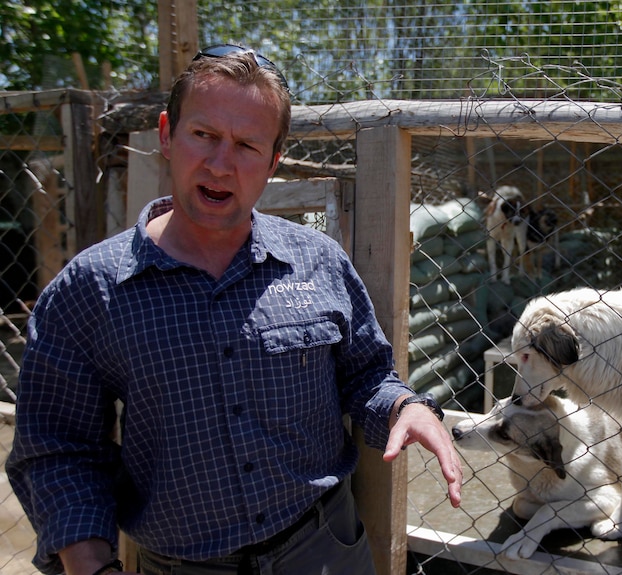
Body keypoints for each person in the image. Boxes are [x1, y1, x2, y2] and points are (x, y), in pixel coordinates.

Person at [7, 44, 462, 575]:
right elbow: (58, 448)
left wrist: (403, 407)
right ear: (166, 135)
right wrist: (90, 564)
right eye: (204, 135)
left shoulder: (317, 261)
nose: (221, 164)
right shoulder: (92, 288)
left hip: (324, 549)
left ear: (272, 162)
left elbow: (366, 377)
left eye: (247, 145)